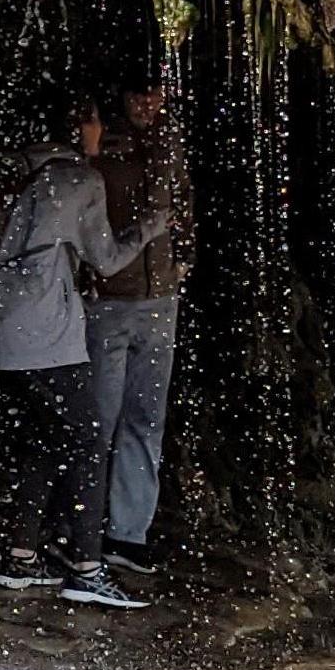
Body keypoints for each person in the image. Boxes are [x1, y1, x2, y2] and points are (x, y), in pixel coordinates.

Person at [0, 91, 168, 609]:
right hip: (44, 325)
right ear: (85, 126)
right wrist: (150, 225)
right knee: (87, 440)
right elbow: (105, 259)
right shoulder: (80, 179)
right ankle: (86, 567)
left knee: (39, 435)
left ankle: (22, 557)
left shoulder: (17, 173)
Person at [87, 78, 193, 580]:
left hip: (160, 298)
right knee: (99, 420)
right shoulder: (101, 144)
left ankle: (128, 535)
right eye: (136, 94)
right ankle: (81, 532)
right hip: (110, 299)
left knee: (145, 419)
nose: (146, 104)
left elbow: (184, 204)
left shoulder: (171, 141)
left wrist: (183, 262)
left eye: (154, 93)